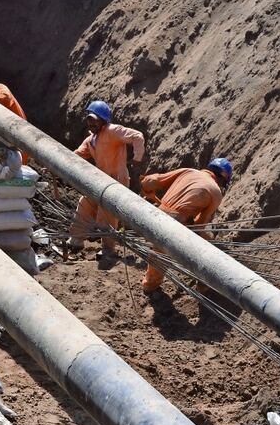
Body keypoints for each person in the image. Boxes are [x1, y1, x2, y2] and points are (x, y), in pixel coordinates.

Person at [139, 158, 232, 293]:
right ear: (223, 180)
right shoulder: (216, 192)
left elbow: (151, 181)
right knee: (208, 247)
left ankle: (150, 285)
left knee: (160, 249)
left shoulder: (188, 171)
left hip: (153, 216)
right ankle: (203, 283)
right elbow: (200, 225)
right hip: (173, 224)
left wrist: (146, 188)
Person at [67, 100, 145, 259]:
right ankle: (76, 240)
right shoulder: (91, 140)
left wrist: (137, 157)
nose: (91, 124)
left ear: (103, 120)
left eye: (94, 120)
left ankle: (108, 248)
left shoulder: (112, 131)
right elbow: (77, 154)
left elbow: (137, 136)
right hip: (100, 180)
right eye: (89, 120)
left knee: (107, 213)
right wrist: (58, 160)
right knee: (85, 204)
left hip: (117, 180)